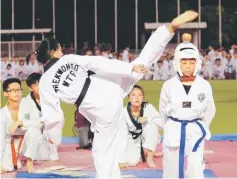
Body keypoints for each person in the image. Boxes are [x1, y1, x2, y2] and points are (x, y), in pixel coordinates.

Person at [37, 10, 198, 178]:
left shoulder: (44, 82)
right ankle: (168, 29)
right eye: (59, 49)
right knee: (142, 62)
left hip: (100, 108)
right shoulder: (68, 59)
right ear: (54, 52)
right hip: (108, 86)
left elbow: (53, 116)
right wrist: (129, 68)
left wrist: (53, 138)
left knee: (102, 152)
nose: (61, 51)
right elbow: (97, 63)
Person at [159, 40, 216, 178]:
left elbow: (210, 110)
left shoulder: (204, 85)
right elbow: (162, 110)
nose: (188, 66)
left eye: (192, 62)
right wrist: (170, 126)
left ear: (198, 63)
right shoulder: (169, 85)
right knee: (171, 169)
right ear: (177, 64)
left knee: (195, 166)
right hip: (174, 127)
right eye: (184, 63)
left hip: (195, 129)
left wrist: (202, 125)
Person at [18, 73, 59, 173]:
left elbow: (55, 120)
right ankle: (29, 161)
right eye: (36, 85)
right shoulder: (25, 102)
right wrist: (40, 122)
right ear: (30, 88)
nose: (41, 87)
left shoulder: (51, 100)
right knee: (32, 130)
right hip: (31, 141)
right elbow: (22, 124)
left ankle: (52, 153)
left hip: (45, 144)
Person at [119, 85, 162, 168]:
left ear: (143, 98)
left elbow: (161, 124)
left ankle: (150, 157)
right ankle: (142, 152)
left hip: (147, 135)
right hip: (132, 139)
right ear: (128, 97)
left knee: (151, 126)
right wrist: (121, 160)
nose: (137, 98)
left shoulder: (148, 107)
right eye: (133, 95)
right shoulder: (124, 113)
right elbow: (122, 136)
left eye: (140, 95)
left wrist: (147, 119)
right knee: (131, 162)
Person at [0, 78, 24, 173]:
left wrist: (20, 122)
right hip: (10, 146)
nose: (17, 92)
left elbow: (40, 122)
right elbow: (1, 139)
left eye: (19, 89)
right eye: (13, 90)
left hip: (31, 145)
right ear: (5, 93)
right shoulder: (2, 114)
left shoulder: (28, 107)